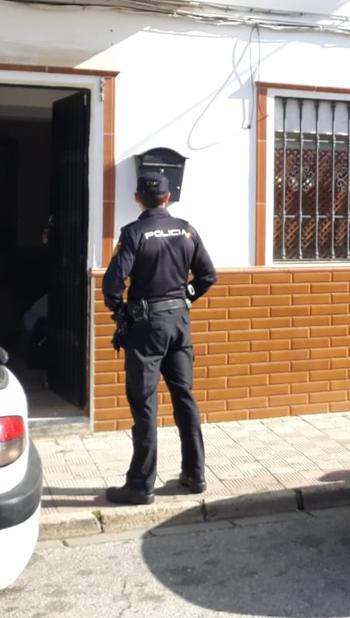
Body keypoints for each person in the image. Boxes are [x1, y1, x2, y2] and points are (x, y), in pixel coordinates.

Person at [102, 170, 217, 505]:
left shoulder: (134, 233)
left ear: (138, 198)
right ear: (168, 197)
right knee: (185, 397)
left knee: (144, 402)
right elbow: (208, 275)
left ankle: (141, 484)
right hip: (179, 324)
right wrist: (185, 297)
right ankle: (195, 474)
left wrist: (121, 313)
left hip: (147, 327)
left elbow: (112, 285)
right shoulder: (186, 230)